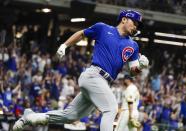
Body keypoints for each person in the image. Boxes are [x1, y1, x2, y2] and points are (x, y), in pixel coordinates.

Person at [13, 10, 149, 131]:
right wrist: (64, 45)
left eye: (138, 25)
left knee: (70, 116)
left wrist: (141, 67)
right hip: (93, 75)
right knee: (111, 108)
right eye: (135, 22)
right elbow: (82, 33)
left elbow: (132, 72)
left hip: (104, 83)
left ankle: (31, 117)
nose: (136, 26)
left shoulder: (133, 45)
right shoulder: (103, 28)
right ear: (124, 19)